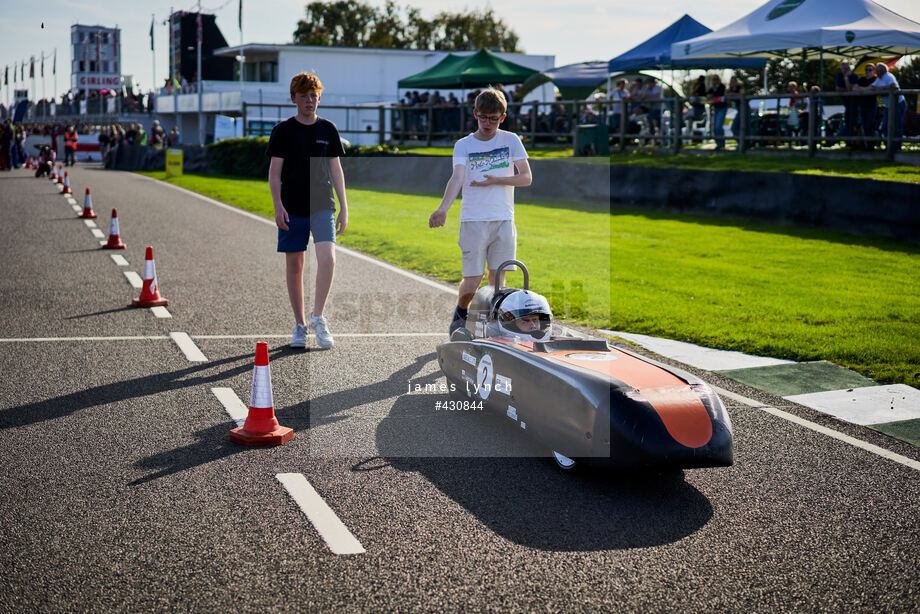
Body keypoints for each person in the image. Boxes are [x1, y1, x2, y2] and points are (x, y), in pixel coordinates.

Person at [428, 88, 532, 335]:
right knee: (472, 282)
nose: (488, 123)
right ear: (475, 114)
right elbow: (457, 178)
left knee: (497, 281)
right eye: (483, 117)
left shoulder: (511, 140)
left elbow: (526, 177)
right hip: (473, 219)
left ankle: (493, 327)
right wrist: (442, 209)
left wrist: (495, 179)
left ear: (502, 117)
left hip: (503, 219)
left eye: (493, 118)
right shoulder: (464, 145)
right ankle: (460, 314)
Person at [267, 71, 348, 349]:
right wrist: (277, 206)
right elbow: (274, 173)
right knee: (295, 265)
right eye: (304, 96)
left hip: (322, 203)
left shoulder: (328, 129)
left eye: (314, 96)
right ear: (294, 98)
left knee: (328, 258)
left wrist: (345, 208)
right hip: (292, 206)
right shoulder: (283, 131)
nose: (310, 101)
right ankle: (300, 326)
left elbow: (336, 170)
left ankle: (318, 317)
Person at [870, 63, 907, 152]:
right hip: (888, 106)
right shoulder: (879, 79)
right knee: (885, 126)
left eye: (876, 71)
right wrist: (882, 88)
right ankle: (889, 146)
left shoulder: (888, 76)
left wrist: (880, 88)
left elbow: (893, 86)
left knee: (897, 125)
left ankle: (897, 147)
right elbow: (872, 87)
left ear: (881, 71)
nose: (875, 73)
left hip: (897, 104)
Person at [855, 63, 877, 149]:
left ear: (874, 71)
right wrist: (866, 89)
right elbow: (854, 88)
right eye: (866, 70)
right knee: (862, 125)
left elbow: (872, 88)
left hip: (871, 106)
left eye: (870, 70)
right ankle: (863, 144)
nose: (868, 71)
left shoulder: (876, 79)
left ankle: (870, 145)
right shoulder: (862, 79)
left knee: (869, 125)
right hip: (862, 105)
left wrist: (862, 89)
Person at [835, 62, 858, 138]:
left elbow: (849, 89)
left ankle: (853, 140)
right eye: (844, 69)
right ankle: (848, 140)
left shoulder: (854, 76)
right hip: (847, 103)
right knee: (848, 121)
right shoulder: (839, 75)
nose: (846, 70)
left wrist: (846, 78)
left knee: (854, 122)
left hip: (856, 103)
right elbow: (838, 89)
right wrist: (847, 89)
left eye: (848, 68)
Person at [707, 75, 728, 150]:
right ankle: (718, 144)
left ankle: (722, 144)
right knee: (715, 128)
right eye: (713, 79)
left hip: (722, 108)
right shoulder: (712, 88)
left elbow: (719, 94)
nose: (715, 81)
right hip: (716, 108)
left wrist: (712, 95)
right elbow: (707, 94)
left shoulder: (722, 86)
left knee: (719, 126)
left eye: (716, 79)